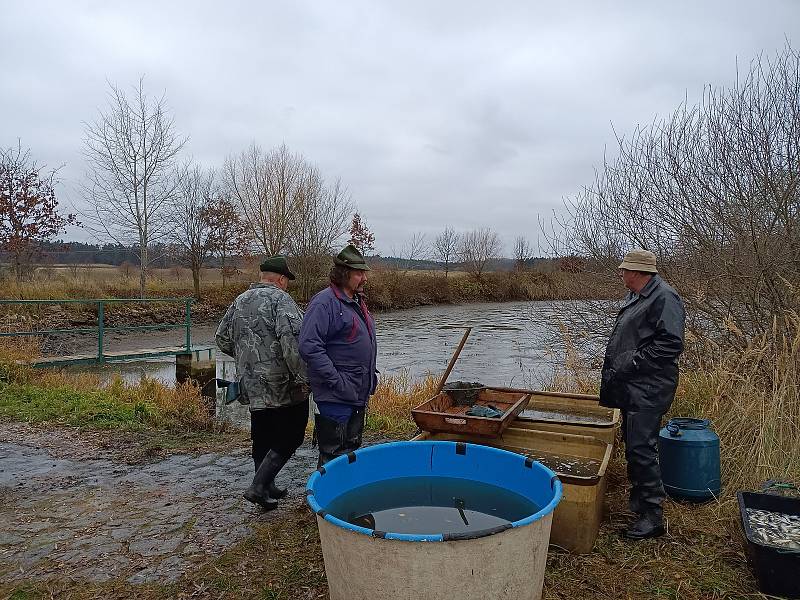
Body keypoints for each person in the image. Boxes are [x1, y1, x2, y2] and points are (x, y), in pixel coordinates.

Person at [599, 249, 685, 540]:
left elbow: (670, 345)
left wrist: (632, 362)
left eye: (625, 269)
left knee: (641, 449)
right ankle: (640, 505)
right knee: (635, 445)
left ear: (638, 272)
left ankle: (652, 517)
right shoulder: (638, 296)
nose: (621, 273)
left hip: (649, 388)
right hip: (634, 387)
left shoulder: (664, 297)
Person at [215, 256, 308, 510]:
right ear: (281, 279)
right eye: (287, 280)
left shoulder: (239, 300)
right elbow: (292, 345)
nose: (286, 284)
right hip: (282, 383)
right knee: (292, 435)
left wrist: (248, 361)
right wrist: (305, 378)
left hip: (251, 384)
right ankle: (258, 485)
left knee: (263, 434)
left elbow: (221, 338)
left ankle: (266, 486)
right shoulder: (281, 300)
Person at [299, 244, 378, 467]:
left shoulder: (356, 302)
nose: (364, 279)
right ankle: (324, 500)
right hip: (336, 395)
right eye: (359, 273)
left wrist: (371, 375)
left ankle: (344, 498)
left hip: (356, 391)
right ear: (343, 274)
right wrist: (336, 381)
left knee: (350, 451)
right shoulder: (324, 303)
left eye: (364, 273)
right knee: (333, 455)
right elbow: (309, 346)